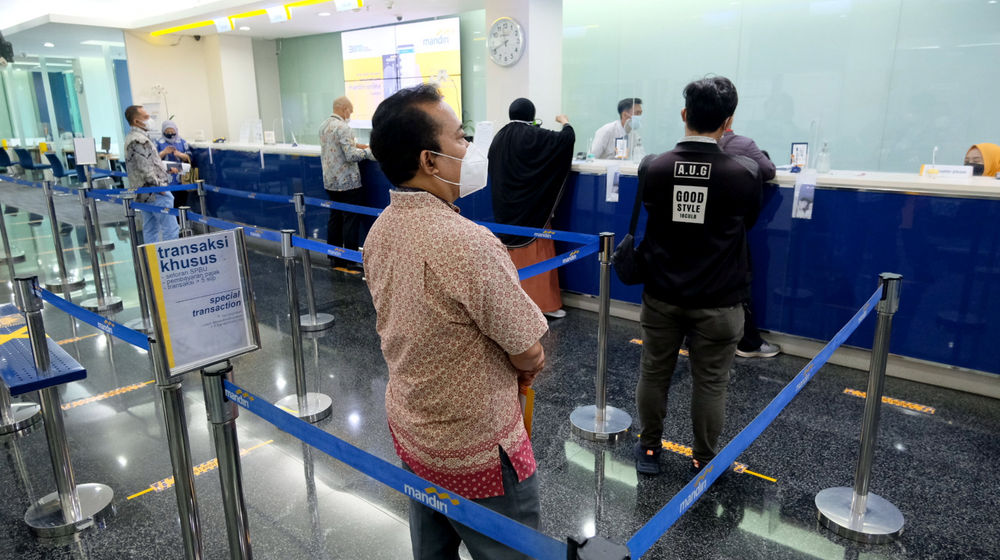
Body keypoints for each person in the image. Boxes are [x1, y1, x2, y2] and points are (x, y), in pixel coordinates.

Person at [366, 84, 548, 560]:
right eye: (461, 138)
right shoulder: (467, 242)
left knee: (432, 549)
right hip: (477, 446)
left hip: (414, 429)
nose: (469, 149)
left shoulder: (379, 231)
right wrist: (527, 365)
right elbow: (527, 347)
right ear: (430, 160)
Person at [633, 77, 762, 476]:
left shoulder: (653, 166)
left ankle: (650, 450)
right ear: (728, 122)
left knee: (655, 371)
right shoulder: (744, 173)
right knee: (711, 383)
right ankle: (703, 459)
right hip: (720, 300)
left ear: (685, 115)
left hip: (662, 293)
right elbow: (749, 222)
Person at [489, 98, 576, 319]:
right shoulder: (533, 136)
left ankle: (511, 304)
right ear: (532, 114)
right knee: (539, 253)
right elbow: (564, 141)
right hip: (533, 210)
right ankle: (544, 304)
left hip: (505, 209)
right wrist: (566, 123)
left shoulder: (499, 137)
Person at [719, 123, 781, 359]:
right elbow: (768, 170)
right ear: (729, 119)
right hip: (733, 229)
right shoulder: (741, 144)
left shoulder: (685, 150)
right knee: (740, 282)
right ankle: (747, 341)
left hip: (700, 233)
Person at [320, 96, 375, 271]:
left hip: (330, 181)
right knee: (350, 219)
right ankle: (350, 259)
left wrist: (358, 145)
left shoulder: (324, 126)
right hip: (348, 182)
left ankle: (335, 257)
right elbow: (350, 155)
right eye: (350, 111)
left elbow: (338, 148)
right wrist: (368, 152)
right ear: (343, 109)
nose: (349, 114)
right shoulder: (343, 127)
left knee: (335, 217)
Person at [123, 105, 179, 243]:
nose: (150, 119)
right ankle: (170, 261)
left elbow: (148, 163)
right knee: (171, 229)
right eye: (146, 117)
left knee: (150, 229)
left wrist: (164, 170)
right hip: (155, 192)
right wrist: (160, 188)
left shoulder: (135, 137)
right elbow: (145, 169)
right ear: (136, 121)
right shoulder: (139, 140)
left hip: (145, 192)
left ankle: (153, 262)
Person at [155, 120, 192, 208]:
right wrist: (164, 152)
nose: (170, 133)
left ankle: (181, 220)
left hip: (181, 179)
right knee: (169, 204)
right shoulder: (157, 142)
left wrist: (179, 154)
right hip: (165, 179)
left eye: (172, 131)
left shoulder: (182, 141)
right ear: (163, 131)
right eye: (167, 131)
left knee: (181, 203)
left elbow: (190, 157)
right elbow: (153, 159)